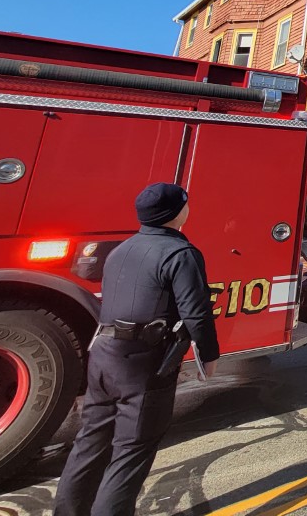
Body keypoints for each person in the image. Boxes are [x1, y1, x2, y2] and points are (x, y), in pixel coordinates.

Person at [54, 183, 219, 516]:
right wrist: (208, 356)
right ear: (178, 213)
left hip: (102, 355)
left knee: (90, 443)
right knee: (131, 452)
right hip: (144, 365)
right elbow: (196, 311)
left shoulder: (122, 249)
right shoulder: (181, 254)